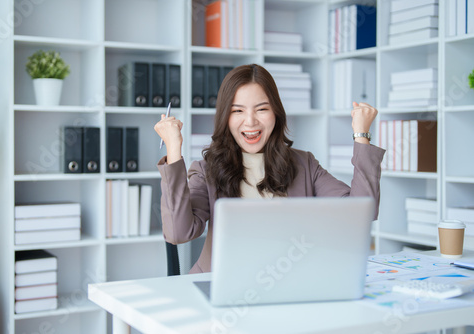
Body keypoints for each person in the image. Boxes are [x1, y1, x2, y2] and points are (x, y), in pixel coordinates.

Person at [154, 64, 385, 274]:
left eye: (261, 109)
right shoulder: (206, 171)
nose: (251, 122)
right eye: (238, 111)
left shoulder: (304, 164)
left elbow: (361, 212)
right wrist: (174, 149)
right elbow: (178, 232)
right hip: (221, 287)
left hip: (288, 285)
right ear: (225, 117)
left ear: (276, 112)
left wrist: (361, 135)